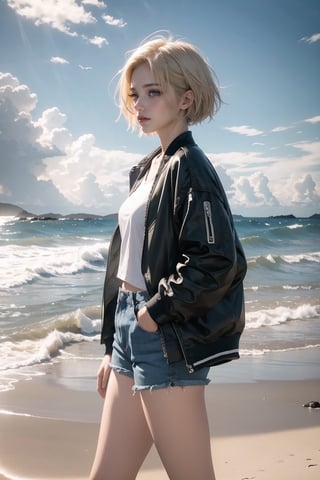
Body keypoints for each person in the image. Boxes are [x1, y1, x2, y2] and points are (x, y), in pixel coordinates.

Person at [89, 33, 247, 480]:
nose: (140, 103)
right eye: (136, 94)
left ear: (186, 98)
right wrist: (112, 342)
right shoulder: (148, 167)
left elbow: (217, 259)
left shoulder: (190, 166)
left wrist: (152, 315)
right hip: (129, 330)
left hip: (161, 334)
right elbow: (126, 261)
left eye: (154, 92)